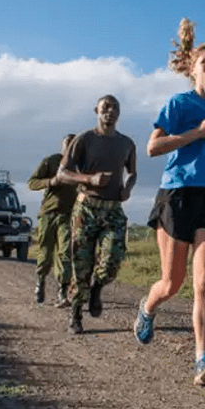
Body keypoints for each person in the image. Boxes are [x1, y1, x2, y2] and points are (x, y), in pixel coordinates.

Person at [135, 18, 205, 386]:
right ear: (192, 69)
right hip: (177, 193)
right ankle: (148, 308)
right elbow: (153, 147)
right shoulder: (179, 103)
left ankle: (203, 359)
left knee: (204, 284)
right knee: (172, 283)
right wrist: (196, 133)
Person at [55, 95, 137, 335]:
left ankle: (97, 287)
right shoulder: (83, 140)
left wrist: (128, 188)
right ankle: (76, 315)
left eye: (115, 108)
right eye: (105, 108)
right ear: (96, 111)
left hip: (113, 209)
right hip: (86, 208)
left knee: (112, 260)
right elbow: (63, 173)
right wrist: (89, 179)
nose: (110, 112)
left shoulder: (127, 143)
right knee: (81, 264)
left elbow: (132, 173)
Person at [27, 134, 78, 307]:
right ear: (62, 147)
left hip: (67, 215)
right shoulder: (51, 161)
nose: (70, 148)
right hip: (48, 214)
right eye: (67, 145)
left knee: (65, 252)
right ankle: (40, 282)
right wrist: (51, 181)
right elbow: (31, 183)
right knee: (45, 252)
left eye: (74, 145)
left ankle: (62, 293)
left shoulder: (81, 166)